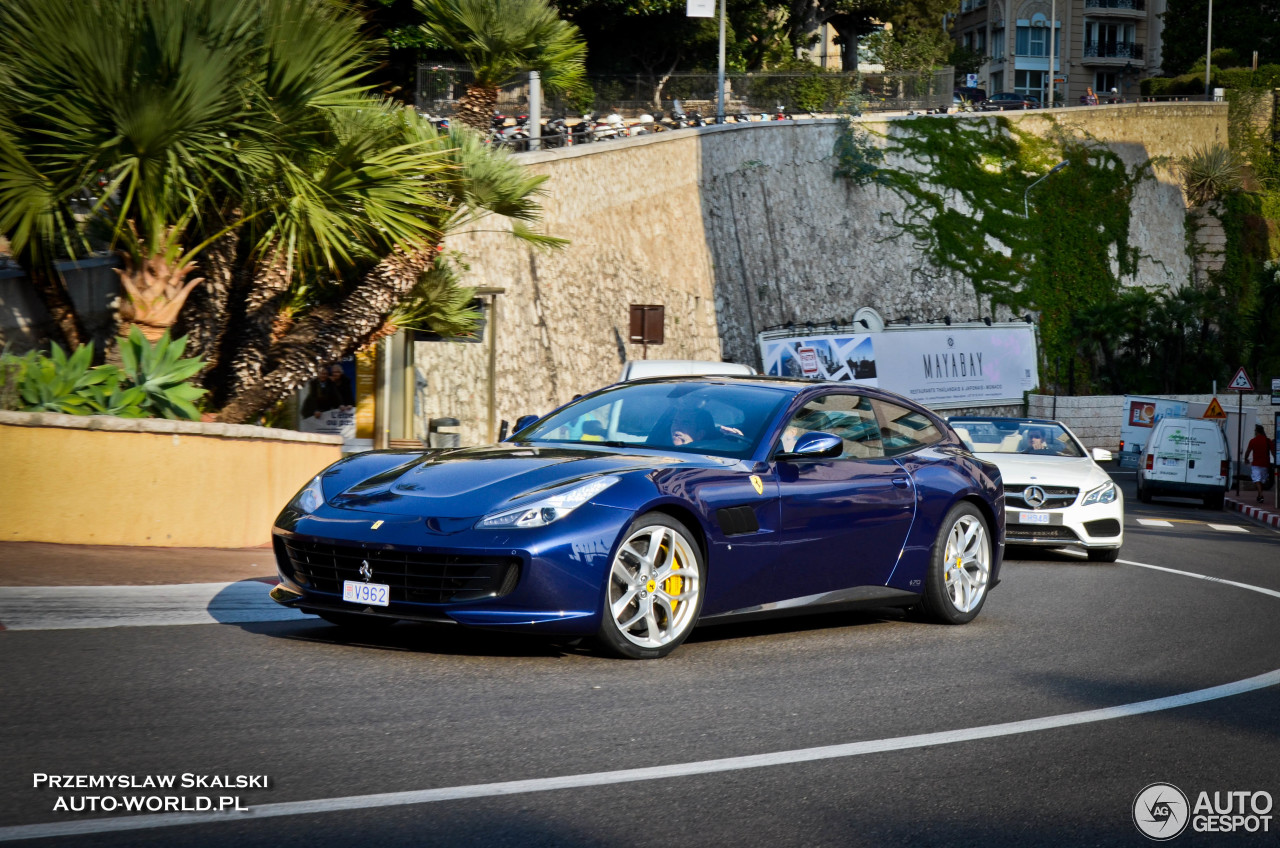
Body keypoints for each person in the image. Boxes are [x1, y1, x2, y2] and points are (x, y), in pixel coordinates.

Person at [1243, 424, 1275, 503]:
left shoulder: (1253, 441)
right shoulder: (1268, 441)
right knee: (1262, 481)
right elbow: (1273, 452)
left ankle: (1260, 495)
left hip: (1256, 464)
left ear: (1257, 431)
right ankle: (1260, 495)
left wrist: (1246, 458)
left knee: (1257, 480)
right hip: (1265, 464)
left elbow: (1248, 451)